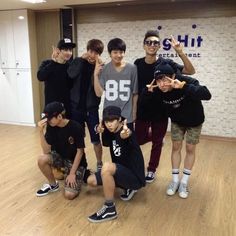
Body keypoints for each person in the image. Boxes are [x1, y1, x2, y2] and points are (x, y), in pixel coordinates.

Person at [135, 30, 196, 183]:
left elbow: (190, 71)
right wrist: (134, 110)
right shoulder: (137, 64)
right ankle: (156, 139)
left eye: (156, 42)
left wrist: (180, 52)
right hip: (143, 108)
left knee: (157, 143)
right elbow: (134, 90)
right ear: (144, 45)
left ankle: (151, 169)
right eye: (149, 42)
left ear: (159, 46)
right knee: (138, 139)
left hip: (161, 110)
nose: (152, 45)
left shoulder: (166, 63)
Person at [143, 62, 211, 198]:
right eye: (159, 80)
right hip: (177, 121)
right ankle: (174, 181)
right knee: (176, 147)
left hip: (194, 121)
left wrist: (184, 87)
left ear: (173, 76)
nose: (162, 84)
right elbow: (147, 106)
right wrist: (147, 93)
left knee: (190, 149)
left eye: (165, 79)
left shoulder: (186, 81)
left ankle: (184, 182)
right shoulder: (156, 89)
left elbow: (207, 94)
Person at [86, 106, 145, 223]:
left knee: (107, 167)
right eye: (107, 121)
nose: (109, 125)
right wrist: (100, 131)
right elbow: (106, 142)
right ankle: (126, 187)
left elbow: (126, 135)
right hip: (122, 171)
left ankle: (110, 208)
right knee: (90, 181)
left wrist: (126, 135)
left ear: (119, 120)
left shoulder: (126, 131)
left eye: (112, 121)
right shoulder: (110, 132)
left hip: (135, 177)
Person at [36, 101, 88, 200]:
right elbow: (46, 151)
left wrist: (72, 173)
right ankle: (53, 185)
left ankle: (80, 174)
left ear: (60, 116)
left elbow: (80, 152)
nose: (48, 121)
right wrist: (40, 132)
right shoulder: (51, 127)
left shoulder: (76, 127)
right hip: (60, 158)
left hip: (75, 162)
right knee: (41, 159)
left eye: (50, 118)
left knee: (69, 195)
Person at [68, 39, 104, 171]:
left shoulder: (101, 68)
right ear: (87, 50)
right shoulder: (79, 62)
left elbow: (99, 91)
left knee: (95, 139)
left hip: (91, 109)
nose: (92, 54)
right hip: (76, 108)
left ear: (99, 54)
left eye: (95, 52)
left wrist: (97, 71)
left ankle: (99, 163)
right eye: (90, 51)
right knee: (78, 138)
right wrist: (79, 60)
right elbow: (71, 74)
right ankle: (81, 164)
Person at [93, 38, 138, 130]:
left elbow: (135, 93)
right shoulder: (104, 69)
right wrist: (95, 75)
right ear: (110, 53)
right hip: (109, 117)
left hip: (126, 116)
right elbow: (99, 93)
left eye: (121, 52)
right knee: (111, 144)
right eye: (115, 52)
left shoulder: (132, 68)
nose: (118, 55)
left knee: (127, 143)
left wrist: (134, 113)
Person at [37, 38, 76, 117]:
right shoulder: (47, 63)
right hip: (51, 107)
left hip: (66, 107)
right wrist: (53, 62)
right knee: (51, 129)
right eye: (65, 49)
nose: (69, 53)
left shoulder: (70, 66)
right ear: (58, 50)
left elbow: (71, 86)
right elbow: (40, 77)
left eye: (70, 50)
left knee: (66, 129)